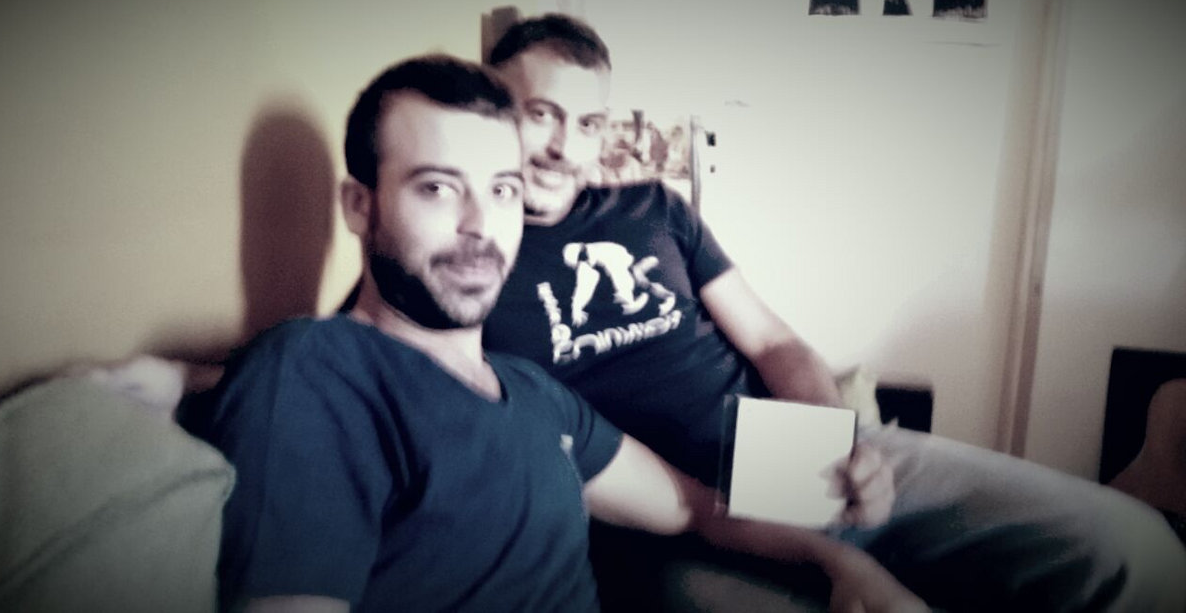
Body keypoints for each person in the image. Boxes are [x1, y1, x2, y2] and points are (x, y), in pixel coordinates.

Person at [476, 13, 1186, 611]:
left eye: (588, 122)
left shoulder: (654, 208)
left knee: (1134, 549)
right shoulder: (464, 270)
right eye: (541, 115)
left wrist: (834, 443)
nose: (565, 148)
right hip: (665, 521)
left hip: (792, 453)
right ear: (489, 105)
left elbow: (772, 341)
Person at [180, 55, 926, 613]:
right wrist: (190, 377)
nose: (480, 224)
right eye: (438, 187)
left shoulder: (536, 392)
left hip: (791, 468)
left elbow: (696, 507)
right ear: (358, 206)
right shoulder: (315, 371)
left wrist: (843, 564)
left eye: (500, 189)